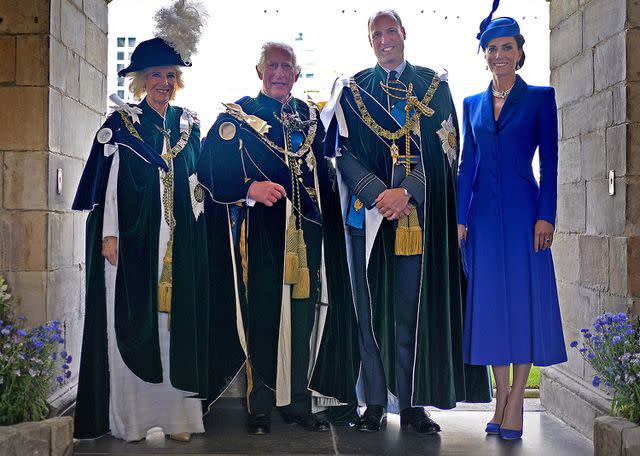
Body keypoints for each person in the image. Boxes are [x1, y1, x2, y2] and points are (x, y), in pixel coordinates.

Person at [320, 9, 491, 434]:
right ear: (370, 40)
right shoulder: (353, 89)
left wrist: (407, 191)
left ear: (403, 34)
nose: (384, 39)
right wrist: (378, 194)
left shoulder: (435, 87)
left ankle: (413, 405)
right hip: (367, 217)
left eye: (390, 31)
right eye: (375, 34)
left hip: (416, 221)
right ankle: (374, 402)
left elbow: (446, 152)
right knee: (369, 312)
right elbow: (342, 154)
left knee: (409, 313)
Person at [72, 0, 213, 442]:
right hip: (134, 244)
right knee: (134, 326)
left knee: (175, 329)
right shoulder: (121, 125)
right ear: (140, 81)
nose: (164, 84)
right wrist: (109, 233)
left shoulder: (189, 124)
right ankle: (131, 420)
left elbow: (199, 183)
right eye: (155, 76)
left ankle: (179, 420)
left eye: (171, 75)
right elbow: (108, 185)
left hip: (181, 244)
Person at [198, 42, 356, 435]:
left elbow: (327, 169)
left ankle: (298, 403)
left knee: (303, 321)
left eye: (287, 66)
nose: (280, 72)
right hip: (262, 237)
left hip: (310, 237)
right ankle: (261, 406)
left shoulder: (310, 117)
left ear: (297, 74)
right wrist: (250, 187)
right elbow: (208, 169)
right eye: (273, 65)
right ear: (259, 71)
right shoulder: (235, 117)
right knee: (264, 318)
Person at [457, 5, 567, 440]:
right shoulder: (472, 104)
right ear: (484, 54)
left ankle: (517, 397)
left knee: (521, 306)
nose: (499, 54)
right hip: (481, 219)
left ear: (520, 53)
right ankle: (500, 394)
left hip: (526, 217)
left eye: (507, 48)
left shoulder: (541, 98)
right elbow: (468, 165)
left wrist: (547, 215)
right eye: (492, 48)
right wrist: (461, 218)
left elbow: (552, 165)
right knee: (490, 308)